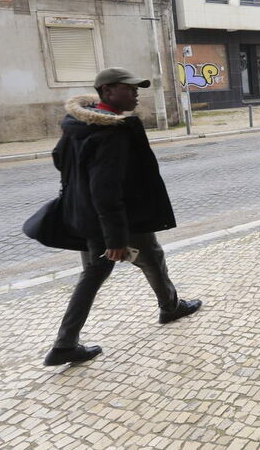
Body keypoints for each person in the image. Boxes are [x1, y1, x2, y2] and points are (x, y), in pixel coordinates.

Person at [43, 68, 201, 366]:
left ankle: (65, 343)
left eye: (137, 89)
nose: (136, 93)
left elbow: (58, 159)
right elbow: (106, 189)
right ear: (107, 91)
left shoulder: (77, 123)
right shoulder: (112, 132)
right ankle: (170, 308)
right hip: (117, 218)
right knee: (151, 256)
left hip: (88, 216)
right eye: (129, 89)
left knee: (93, 274)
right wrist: (115, 238)